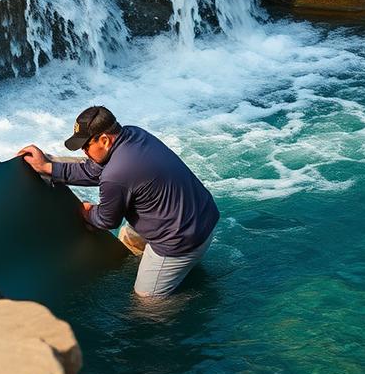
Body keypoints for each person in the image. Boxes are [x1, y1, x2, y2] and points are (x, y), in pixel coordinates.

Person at [17, 106, 219, 297]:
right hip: (203, 219)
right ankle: (185, 269)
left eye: (86, 146)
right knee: (129, 238)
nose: (84, 152)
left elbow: (106, 220)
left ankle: (186, 299)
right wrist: (47, 167)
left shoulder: (117, 174)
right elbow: (91, 171)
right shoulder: (133, 134)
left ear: (104, 139)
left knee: (146, 303)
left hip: (180, 242)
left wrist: (87, 211)